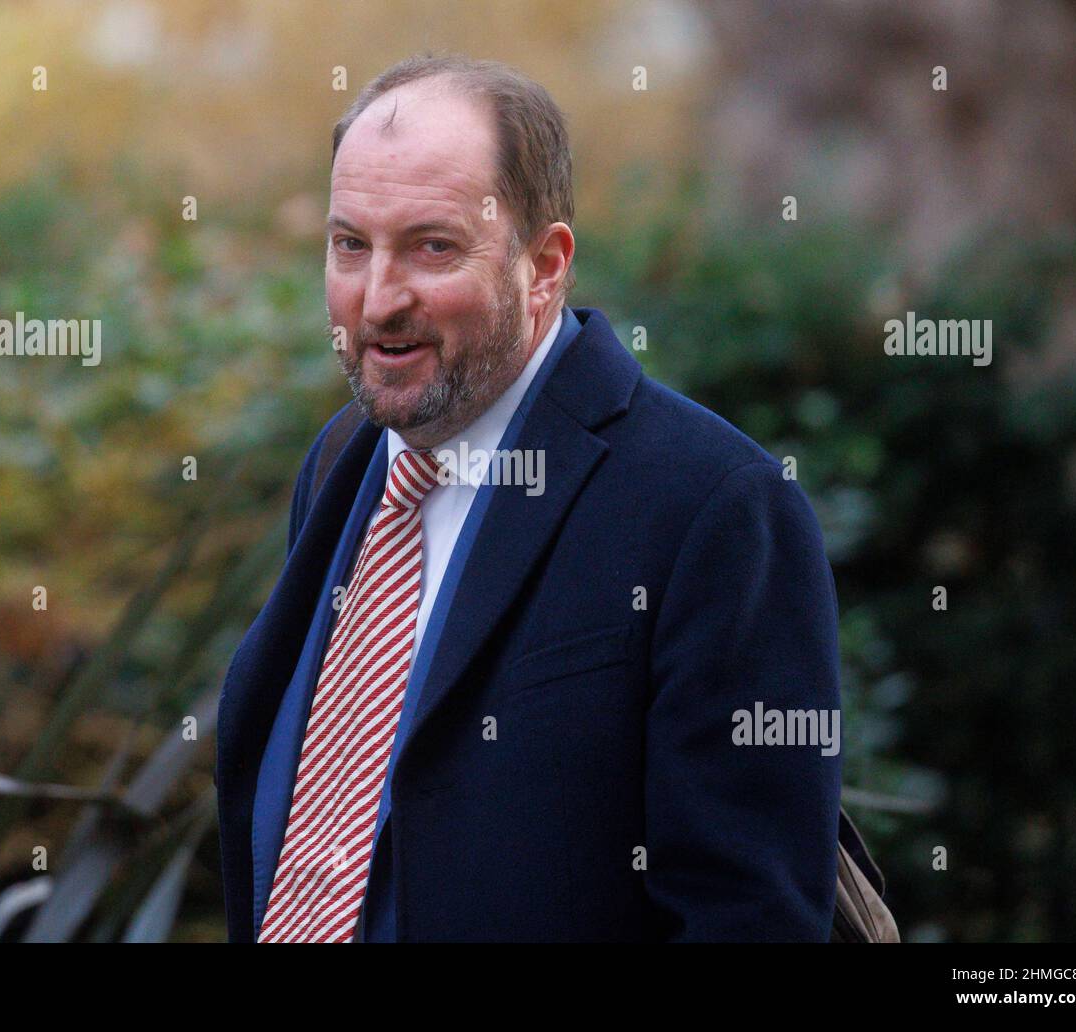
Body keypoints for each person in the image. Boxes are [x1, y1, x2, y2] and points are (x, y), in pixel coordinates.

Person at [215, 53, 842, 942]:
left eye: (432, 247)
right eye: (351, 244)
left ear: (544, 265)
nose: (378, 300)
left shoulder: (715, 507)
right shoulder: (340, 463)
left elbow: (747, 919)